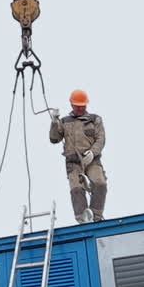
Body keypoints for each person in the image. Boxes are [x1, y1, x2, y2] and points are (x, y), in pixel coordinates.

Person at [49, 89, 107, 223]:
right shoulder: (64, 121)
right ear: (71, 105)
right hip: (73, 163)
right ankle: (83, 219)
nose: (80, 108)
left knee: (100, 184)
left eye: (83, 106)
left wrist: (93, 152)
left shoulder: (94, 119)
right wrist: (54, 122)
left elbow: (101, 139)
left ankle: (96, 216)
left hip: (92, 160)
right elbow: (54, 139)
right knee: (77, 190)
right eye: (78, 106)